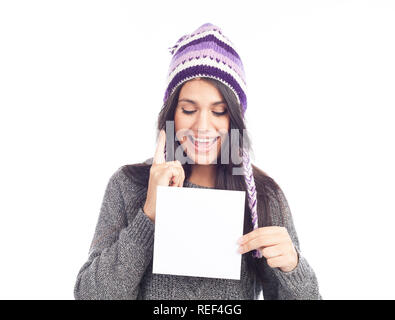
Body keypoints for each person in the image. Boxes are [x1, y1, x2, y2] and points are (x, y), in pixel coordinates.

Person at [74, 23, 322, 300]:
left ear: (235, 120)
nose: (203, 126)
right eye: (189, 109)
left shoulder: (264, 195)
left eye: (219, 112)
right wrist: (149, 214)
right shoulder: (128, 185)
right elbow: (90, 296)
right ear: (171, 113)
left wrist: (294, 267)